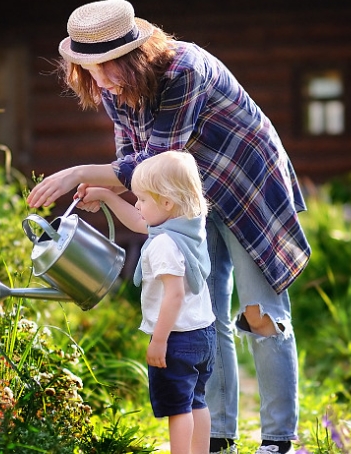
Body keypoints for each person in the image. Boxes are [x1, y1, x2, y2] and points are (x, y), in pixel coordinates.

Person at [26, 1, 311, 453]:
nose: (101, 81)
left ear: (133, 54)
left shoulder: (184, 70)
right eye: (89, 69)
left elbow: (159, 160)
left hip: (244, 183)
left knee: (263, 315)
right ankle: (217, 436)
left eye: (107, 67)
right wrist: (108, 193)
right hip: (188, 199)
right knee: (203, 314)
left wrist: (79, 172)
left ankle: (278, 439)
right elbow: (130, 165)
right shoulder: (111, 88)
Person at [78, 150, 216, 454]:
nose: (137, 205)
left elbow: (174, 294)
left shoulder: (164, 244)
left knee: (178, 408)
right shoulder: (190, 224)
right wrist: (105, 196)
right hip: (203, 332)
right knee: (197, 401)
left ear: (166, 203)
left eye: (141, 199)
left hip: (175, 338)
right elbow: (142, 221)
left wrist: (159, 340)